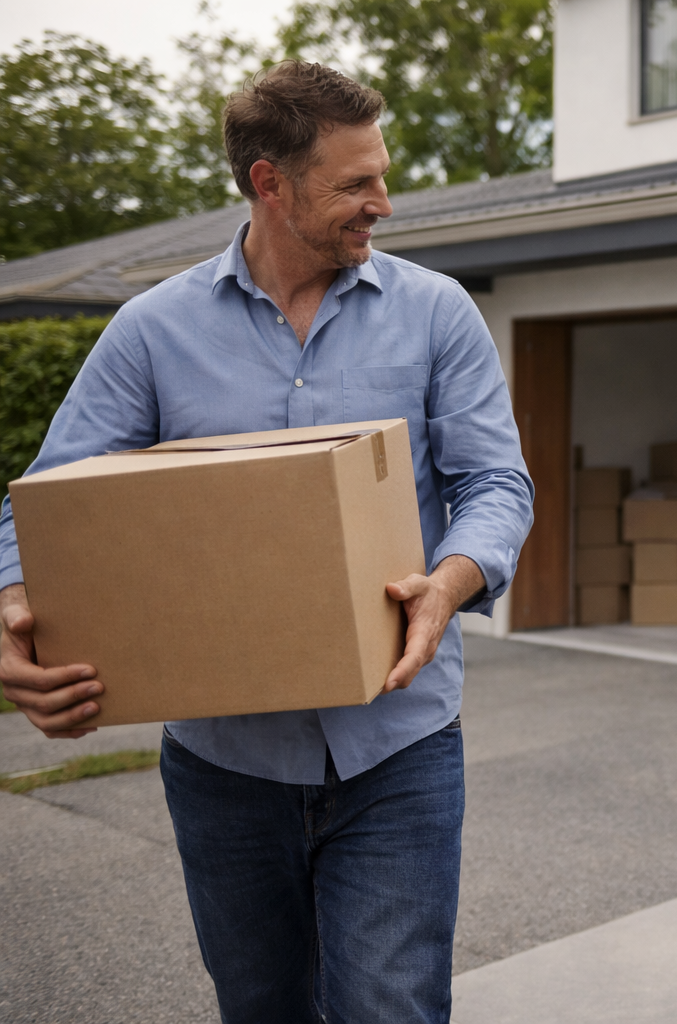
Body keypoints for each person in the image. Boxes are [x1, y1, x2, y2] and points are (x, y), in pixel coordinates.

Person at [0, 61, 533, 1023]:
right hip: (224, 769)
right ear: (269, 183)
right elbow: (41, 503)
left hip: (397, 750)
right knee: (261, 1007)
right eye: (355, 183)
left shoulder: (437, 312)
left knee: (389, 1006)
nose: (384, 201)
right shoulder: (150, 333)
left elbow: (494, 484)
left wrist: (450, 583)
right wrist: (10, 611)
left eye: (382, 172)